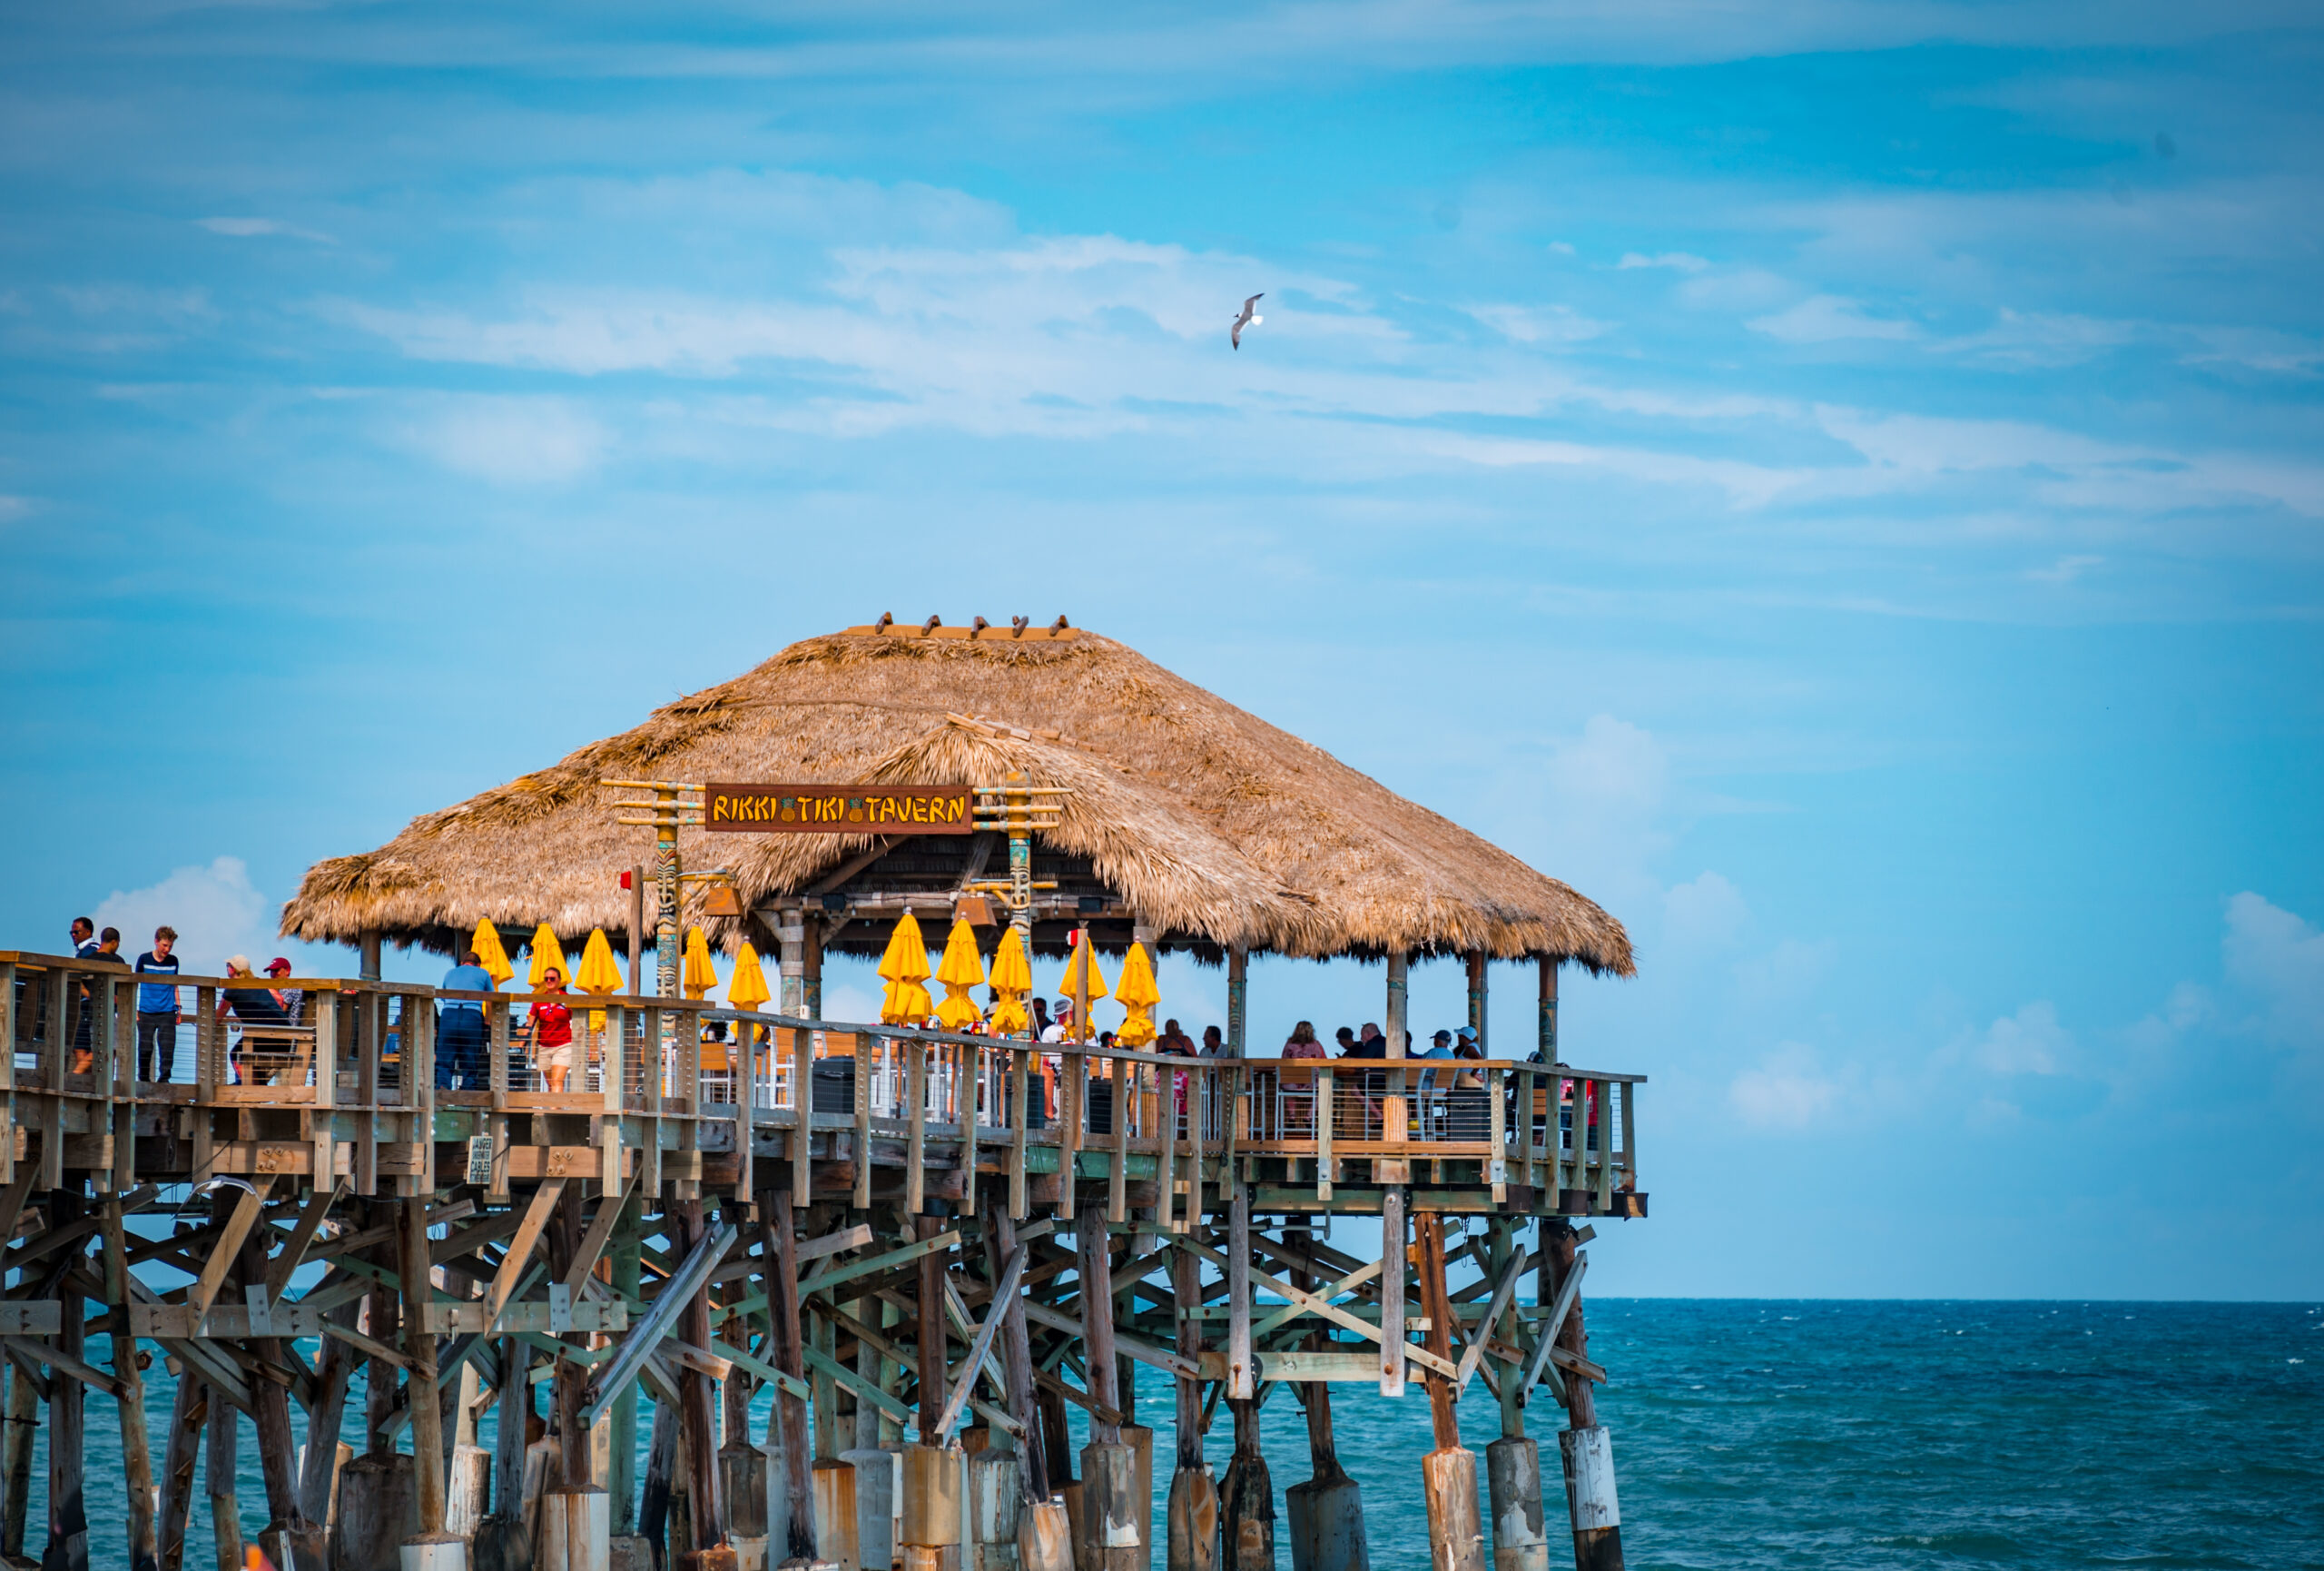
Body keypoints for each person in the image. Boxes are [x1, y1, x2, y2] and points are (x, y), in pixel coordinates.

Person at [218, 956, 295, 1083]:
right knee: (249, 1055)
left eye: (228, 966)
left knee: (236, 1055)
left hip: (267, 1038)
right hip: (286, 1038)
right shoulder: (258, 982)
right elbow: (280, 999)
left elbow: (216, 1018)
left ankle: (248, 1089)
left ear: (232, 970)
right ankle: (254, 1087)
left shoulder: (232, 989)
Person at [438, 948, 496, 1090]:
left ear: (462, 963)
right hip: (472, 1016)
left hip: (449, 1015)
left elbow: (443, 997)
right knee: (470, 1058)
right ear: (478, 965)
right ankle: (468, 1095)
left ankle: (442, 1090)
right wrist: (488, 1021)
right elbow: (491, 999)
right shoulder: (483, 973)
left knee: (445, 1057)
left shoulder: (450, 972)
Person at [134, 925, 183, 1083]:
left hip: (167, 1011)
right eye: (164, 945)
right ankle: (143, 1080)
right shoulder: (144, 959)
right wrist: (134, 1008)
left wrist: (179, 1007)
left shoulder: (174, 961)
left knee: (167, 1048)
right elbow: (135, 983)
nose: (167, 949)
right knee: (145, 1047)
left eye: (170, 946)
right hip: (146, 1010)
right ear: (156, 942)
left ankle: (164, 1080)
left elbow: (175, 985)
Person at [526, 969, 576, 1093]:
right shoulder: (539, 999)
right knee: (550, 1083)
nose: (549, 981)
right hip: (544, 1045)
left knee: (557, 1080)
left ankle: (556, 1112)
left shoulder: (567, 999)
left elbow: (576, 1021)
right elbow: (530, 1022)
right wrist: (522, 1039)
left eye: (552, 978)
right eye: (546, 978)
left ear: (559, 980)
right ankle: (552, 1109)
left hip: (563, 1045)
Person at [264, 956, 302, 1025]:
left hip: (287, 1031)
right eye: (271, 971)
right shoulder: (283, 987)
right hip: (280, 1029)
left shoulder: (289, 986)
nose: (273, 974)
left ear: (287, 971)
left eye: (276, 970)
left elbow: (279, 1012)